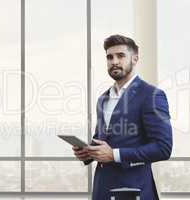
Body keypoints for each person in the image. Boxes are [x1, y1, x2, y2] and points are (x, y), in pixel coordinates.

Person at [73, 34, 172, 200]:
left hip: (134, 189)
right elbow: (102, 139)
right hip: (102, 189)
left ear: (134, 59)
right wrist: (88, 151)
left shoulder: (152, 95)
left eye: (120, 56)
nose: (114, 62)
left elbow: (163, 148)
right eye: (109, 57)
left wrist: (115, 154)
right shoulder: (103, 99)